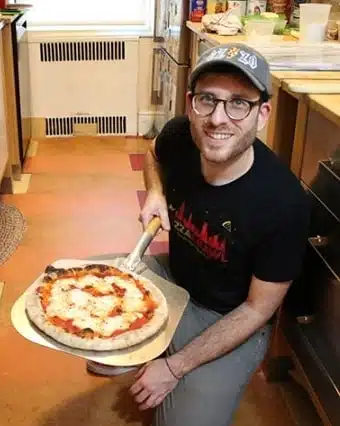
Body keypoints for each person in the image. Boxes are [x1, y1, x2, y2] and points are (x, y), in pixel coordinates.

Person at [125, 43, 311, 426]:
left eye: (238, 103)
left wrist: (175, 368)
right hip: (173, 280)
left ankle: (164, 355)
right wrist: (156, 193)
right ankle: (149, 347)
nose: (218, 118)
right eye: (208, 100)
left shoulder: (284, 203)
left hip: (229, 318)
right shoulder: (181, 136)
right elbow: (153, 155)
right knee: (93, 298)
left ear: (262, 114)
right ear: (192, 103)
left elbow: (259, 309)